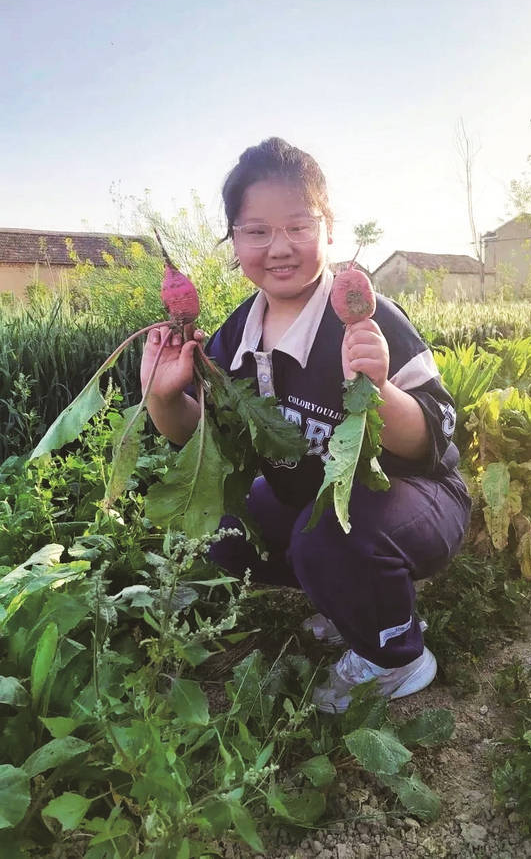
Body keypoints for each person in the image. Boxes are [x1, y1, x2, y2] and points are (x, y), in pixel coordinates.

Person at [142, 137, 471, 713]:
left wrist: (376, 389)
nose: (279, 248)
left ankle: (397, 656)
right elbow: (213, 445)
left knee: (327, 537)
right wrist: (164, 399)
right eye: (256, 231)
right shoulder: (232, 338)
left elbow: (434, 437)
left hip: (418, 497)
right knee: (226, 528)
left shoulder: (366, 315)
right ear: (235, 239)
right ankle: (350, 600)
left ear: (327, 227)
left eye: (298, 226)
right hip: (319, 506)